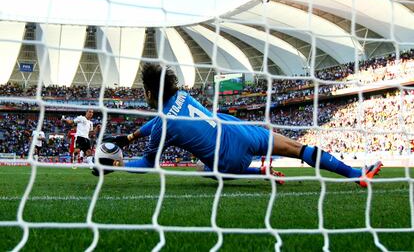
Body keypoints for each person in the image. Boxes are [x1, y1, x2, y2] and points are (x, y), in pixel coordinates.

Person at [101, 63, 382, 187]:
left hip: (230, 159)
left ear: (150, 93)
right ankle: (356, 173)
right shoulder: (183, 95)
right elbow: (162, 117)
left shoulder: (163, 126)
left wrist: (114, 164)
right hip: (240, 131)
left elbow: (149, 164)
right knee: (297, 148)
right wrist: (132, 135)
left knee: (206, 171)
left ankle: (259, 173)